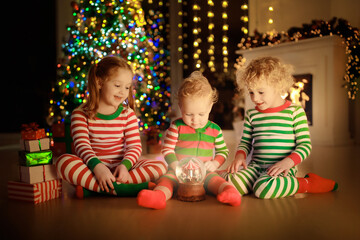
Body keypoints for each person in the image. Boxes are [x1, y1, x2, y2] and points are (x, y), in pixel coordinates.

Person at [224, 56, 338, 199]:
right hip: (255, 167)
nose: (255, 99)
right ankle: (260, 182)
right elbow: (245, 142)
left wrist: (288, 162)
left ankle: (307, 183)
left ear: (278, 85)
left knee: (264, 189)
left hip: (283, 169)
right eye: (251, 92)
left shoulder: (295, 112)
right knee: (231, 181)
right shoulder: (252, 114)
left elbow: (305, 145)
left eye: (261, 92)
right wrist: (239, 157)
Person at [55, 56, 167, 198]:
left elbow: (134, 147)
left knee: (160, 166)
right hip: (93, 169)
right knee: (63, 163)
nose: (123, 92)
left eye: (127, 87)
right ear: (99, 82)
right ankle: (125, 189)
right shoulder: (80, 114)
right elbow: (82, 146)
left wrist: (125, 166)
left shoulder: (128, 114)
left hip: (122, 168)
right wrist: (98, 167)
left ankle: (95, 189)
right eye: (117, 85)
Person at [137, 71, 241, 209]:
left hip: (204, 172)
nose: (195, 120)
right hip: (178, 172)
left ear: (210, 107)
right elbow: (167, 149)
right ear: (181, 107)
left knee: (216, 180)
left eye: (201, 114)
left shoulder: (215, 129)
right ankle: (159, 196)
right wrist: (175, 166)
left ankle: (230, 193)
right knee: (166, 180)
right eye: (189, 114)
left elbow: (223, 151)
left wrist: (215, 163)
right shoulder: (176, 126)